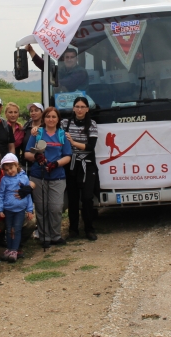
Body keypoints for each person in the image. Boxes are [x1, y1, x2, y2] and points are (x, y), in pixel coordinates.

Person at [24, 107, 72, 249]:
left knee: (56, 208)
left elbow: (68, 156)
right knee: (41, 207)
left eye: (54, 117)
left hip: (57, 176)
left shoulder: (62, 135)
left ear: (58, 119)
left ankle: (56, 235)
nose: (51, 119)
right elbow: (27, 153)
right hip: (38, 175)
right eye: (48, 116)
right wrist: (36, 157)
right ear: (44, 118)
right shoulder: (37, 133)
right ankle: (44, 236)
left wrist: (56, 164)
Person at [62, 96, 100, 241]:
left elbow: (90, 147)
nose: (79, 109)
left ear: (87, 109)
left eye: (82, 107)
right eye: (77, 106)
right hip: (71, 164)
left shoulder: (92, 124)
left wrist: (72, 142)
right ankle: (73, 230)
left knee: (87, 197)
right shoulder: (65, 123)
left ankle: (89, 229)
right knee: (72, 198)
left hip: (87, 164)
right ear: (73, 108)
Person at [0, 154, 34, 263]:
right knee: (9, 230)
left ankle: (14, 250)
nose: (10, 171)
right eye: (6, 170)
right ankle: (9, 248)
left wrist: (30, 209)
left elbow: (28, 195)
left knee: (17, 229)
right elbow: (1, 194)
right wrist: (0, 209)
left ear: (16, 165)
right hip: (8, 209)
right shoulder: (4, 180)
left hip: (20, 209)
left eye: (11, 168)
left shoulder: (23, 178)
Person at [20, 103, 44, 171]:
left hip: (40, 165)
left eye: (36, 110)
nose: (33, 113)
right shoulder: (26, 127)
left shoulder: (45, 128)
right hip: (25, 164)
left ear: (42, 113)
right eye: (31, 111)